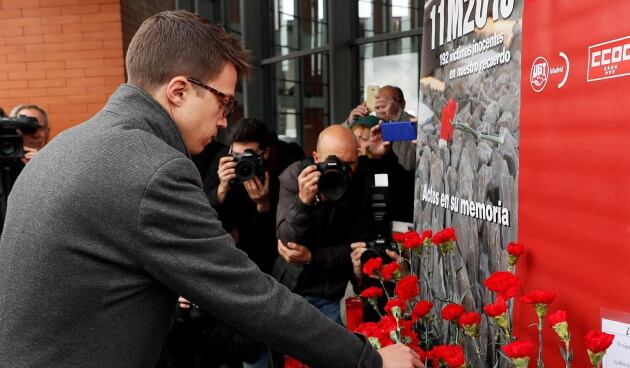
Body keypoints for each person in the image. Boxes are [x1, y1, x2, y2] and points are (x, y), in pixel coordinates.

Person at [0, 11, 422, 368]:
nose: (224, 121)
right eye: (224, 103)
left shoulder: (63, 147)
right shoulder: (153, 169)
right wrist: (372, 360)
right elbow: (248, 295)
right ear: (179, 91)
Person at [274, 124, 414, 324]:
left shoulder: (365, 179)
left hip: (341, 290)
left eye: (350, 163)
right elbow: (288, 243)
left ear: (358, 156)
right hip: (297, 286)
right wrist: (303, 202)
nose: (342, 171)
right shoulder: (297, 176)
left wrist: (313, 257)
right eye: (334, 162)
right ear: (316, 158)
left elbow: (360, 246)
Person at [346, 86, 417, 172]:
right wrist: (350, 123)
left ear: (403, 104)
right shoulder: (370, 125)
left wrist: (398, 115)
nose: (382, 109)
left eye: (385, 103)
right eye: (378, 105)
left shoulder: (414, 125)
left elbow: (408, 164)